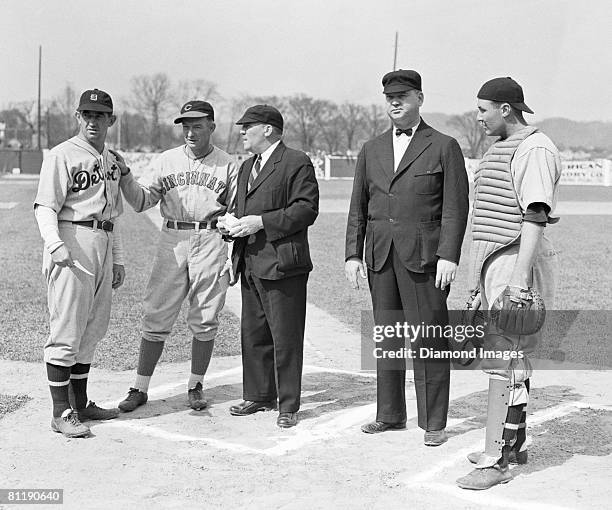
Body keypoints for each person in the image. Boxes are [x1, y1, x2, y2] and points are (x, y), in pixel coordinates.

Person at [345, 70, 469, 445]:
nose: (394, 103)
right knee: (387, 337)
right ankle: (390, 413)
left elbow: (455, 208)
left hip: (425, 259)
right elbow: (358, 207)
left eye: (403, 96)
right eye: (389, 97)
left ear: (420, 98)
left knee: (427, 338)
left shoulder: (444, 145)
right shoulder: (371, 148)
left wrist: (449, 254)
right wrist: (353, 253)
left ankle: (433, 422)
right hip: (379, 257)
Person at [456, 77, 561, 490]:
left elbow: (535, 215)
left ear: (505, 109)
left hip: (519, 258)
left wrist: (518, 282)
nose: (478, 116)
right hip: (500, 258)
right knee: (510, 358)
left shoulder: (533, 147)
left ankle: (497, 459)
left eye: (483, 109)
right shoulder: (502, 147)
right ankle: (513, 444)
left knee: (505, 360)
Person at [113, 100, 238, 413]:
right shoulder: (166, 159)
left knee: (206, 316)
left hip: (211, 236)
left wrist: (233, 254)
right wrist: (127, 175)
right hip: (172, 236)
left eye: (197, 125)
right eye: (186, 126)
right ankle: (139, 387)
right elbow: (142, 201)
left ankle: (195, 385)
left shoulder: (228, 164)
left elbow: (237, 213)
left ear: (211, 126)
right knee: (156, 314)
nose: (190, 132)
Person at [217, 105, 319, 429]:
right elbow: (240, 210)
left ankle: (288, 404)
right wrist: (230, 229)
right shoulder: (247, 167)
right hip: (250, 262)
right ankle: (259, 394)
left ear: (269, 130)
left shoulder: (296, 161)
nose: (242, 132)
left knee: (286, 336)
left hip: (283, 265)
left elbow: (306, 209)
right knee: (254, 334)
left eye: (249, 126)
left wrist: (261, 222)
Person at [34, 88, 125, 438]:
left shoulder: (111, 159)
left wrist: (117, 258)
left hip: (102, 239)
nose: (92, 120)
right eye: (86, 114)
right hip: (72, 238)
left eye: (99, 115)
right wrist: (54, 243)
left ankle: (82, 402)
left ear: (110, 120)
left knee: (92, 328)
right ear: (77, 117)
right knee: (67, 329)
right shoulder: (62, 155)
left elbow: (115, 214)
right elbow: (45, 206)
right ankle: (61, 412)